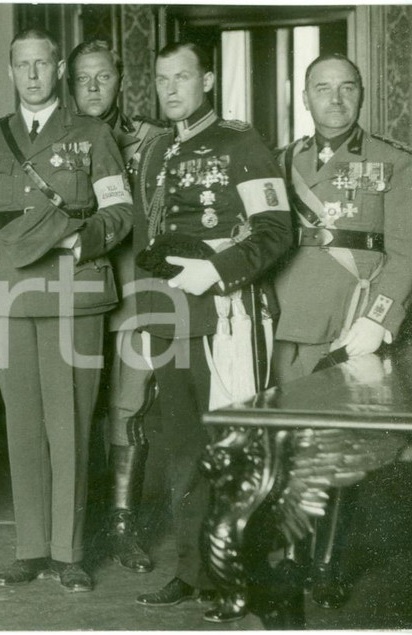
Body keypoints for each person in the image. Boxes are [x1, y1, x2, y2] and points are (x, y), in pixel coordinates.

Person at [0, 28, 134, 593]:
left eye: (42, 64)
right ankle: (30, 548)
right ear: (10, 72)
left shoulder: (92, 133)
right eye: (22, 65)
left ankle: (69, 551)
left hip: (72, 290)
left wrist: (82, 242)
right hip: (10, 293)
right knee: (22, 425)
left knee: (71, 425)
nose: (32, 75)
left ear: (59, 71)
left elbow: (120, 210)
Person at [129, 42, 293, 622]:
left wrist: (217, 271)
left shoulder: (239, 142)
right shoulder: (156, 149)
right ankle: (192, 569)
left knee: (235, 449)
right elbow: (148, 238)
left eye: (183, 77)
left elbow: (276, 229)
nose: (171, 89)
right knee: (182, 451)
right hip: (171, 317)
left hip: (228, 313)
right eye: (162, 79)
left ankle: (237, 578)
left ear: (208, 80)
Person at [272, 53, 412, 609]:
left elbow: (405, 252)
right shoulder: (283, 161)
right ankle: (292, 556)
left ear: (361, 94)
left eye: (347, 87)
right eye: (322, 88)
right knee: (291, 444)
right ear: (305, 97)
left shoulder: (393, 161)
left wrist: (378, 319)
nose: (335, 99)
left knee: (339, 448)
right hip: (287, 321)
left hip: (350, 324)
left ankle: (327, 563)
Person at [67, 39, 165, 574]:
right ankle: (74, 530)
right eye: (83, 77)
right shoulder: (53, 138)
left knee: (129, 405)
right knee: (73, 409)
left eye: (103, 76)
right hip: (72, 294)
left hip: (132, 292)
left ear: (120, 79)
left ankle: (123, 526)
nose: (93, 87)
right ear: (69, 83)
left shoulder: (153, 140)